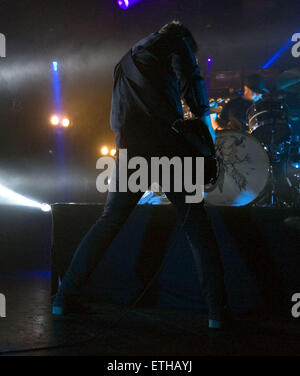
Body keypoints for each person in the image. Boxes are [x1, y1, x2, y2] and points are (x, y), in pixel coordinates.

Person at [52, 21, 229, 329]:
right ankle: (218, 313)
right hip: (167, 147)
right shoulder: (177, 42)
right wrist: (210, 147)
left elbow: (118, 115)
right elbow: (195, 91)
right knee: (197, 228)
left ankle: (63, 298)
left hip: (130, 151)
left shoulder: (127, 57)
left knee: (108, 222)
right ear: (187, 40)